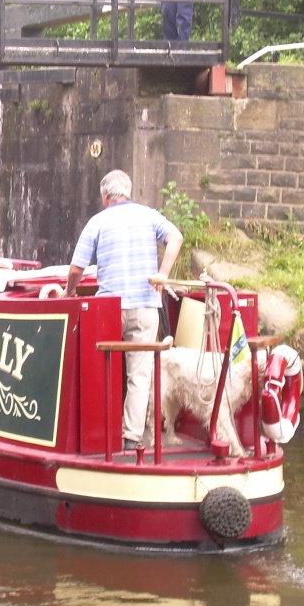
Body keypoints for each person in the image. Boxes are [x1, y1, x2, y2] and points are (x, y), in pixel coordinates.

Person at [63, 170, 183, 450]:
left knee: (102, 368)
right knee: (139, 374)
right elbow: (175, 237)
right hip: (145, 304)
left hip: (109, 309)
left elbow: (76, 268)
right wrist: (163, 274)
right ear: (128, 192)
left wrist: (70, 291)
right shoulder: (149, 215)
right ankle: (131, 437)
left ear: (105, 196)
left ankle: (99, 432)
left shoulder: (98, 221)